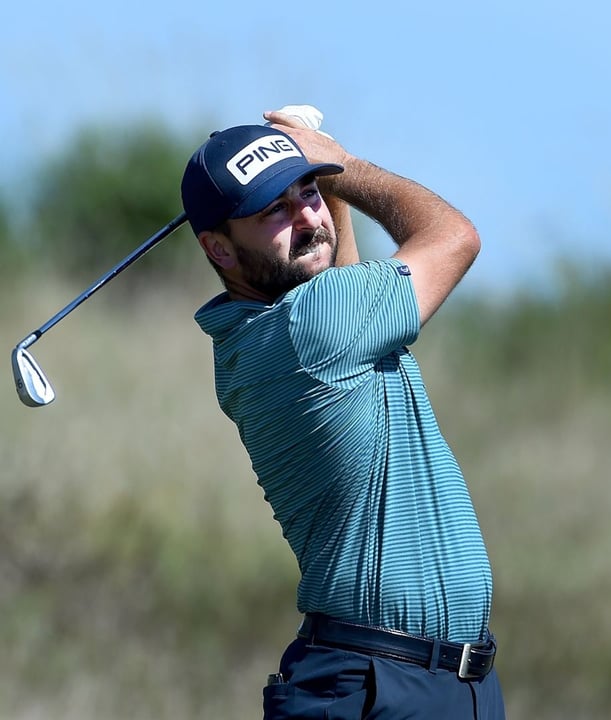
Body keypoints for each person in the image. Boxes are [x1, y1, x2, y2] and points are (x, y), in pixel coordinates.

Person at [180, 109, 504, 719]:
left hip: (436, 683)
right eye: (274, 210)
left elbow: (341, 276)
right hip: (376, 687)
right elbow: (455, 237)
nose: (308, 218)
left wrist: (320, 175)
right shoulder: (309, 326)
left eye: (308, 193)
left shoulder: (274, 330)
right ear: (218, 248)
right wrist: (341, 164)